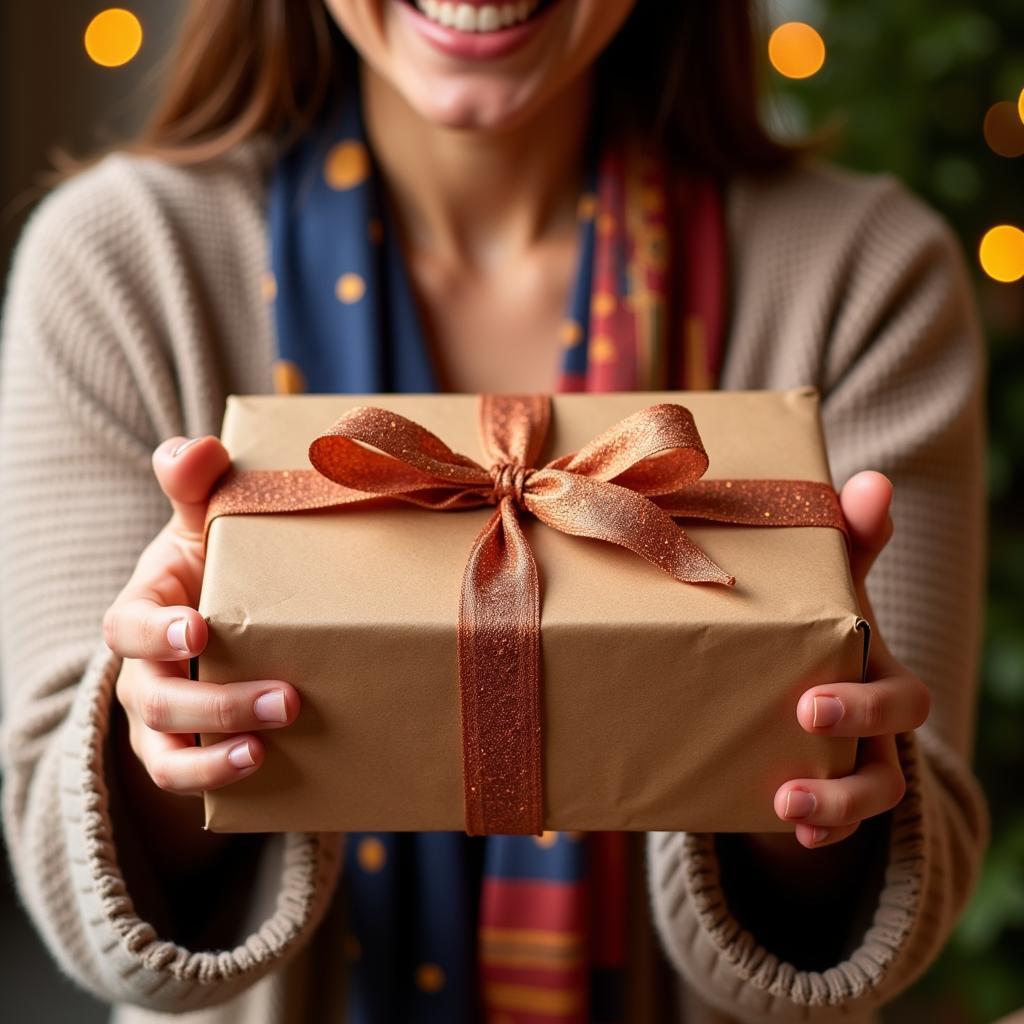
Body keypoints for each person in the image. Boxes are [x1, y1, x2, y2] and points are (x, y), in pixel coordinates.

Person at [0, 1, 988, 1022]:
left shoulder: (863, 274)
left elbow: (890, 924)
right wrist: (160, 735)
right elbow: (82, 916)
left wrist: (806, 771)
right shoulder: (120, 261)